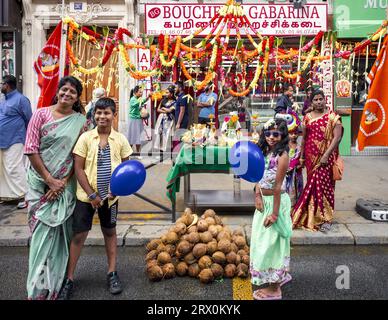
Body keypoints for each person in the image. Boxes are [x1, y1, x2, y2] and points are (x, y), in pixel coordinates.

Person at [59, 98, 132, 300]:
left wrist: (117, 190)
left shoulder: (120, 140)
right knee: (79, 236)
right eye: (98, 113)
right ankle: (69, 279)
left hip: (110, 198)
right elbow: (78, 168)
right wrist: (91, 194)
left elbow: (127, 170)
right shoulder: (85, 138)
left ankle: (112, 273)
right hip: (86, 197)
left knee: (110, 232)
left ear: (113, 115)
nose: (102, 116)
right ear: (93, 115)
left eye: (107, 113)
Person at [24, 76, 87, 300]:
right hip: (39, 186)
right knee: (41, 239)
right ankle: (37, 289)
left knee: (61, 237)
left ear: (78, 97)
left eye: (73, 91)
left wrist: (60, 183)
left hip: (64, 188)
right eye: (64, 89)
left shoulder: (81, 122)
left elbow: (78, 157)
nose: (67, 94)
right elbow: (31, 149)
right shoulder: (40, 114)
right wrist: (49, 179)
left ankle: (55, 285)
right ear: (58, 91)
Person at [250, 118, 292, 300]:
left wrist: (274, 214)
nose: (272, 137)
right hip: (264, 203)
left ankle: (275, 288)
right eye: (268, 134)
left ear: (283, 135)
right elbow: (257, 177)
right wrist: (257, 195)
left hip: (276, 203)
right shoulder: (263, 151)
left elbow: (277, 187)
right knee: (261, 241)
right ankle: (278, 276)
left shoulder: (282, 156)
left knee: (273, 245)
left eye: (276, 134)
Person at [291, 89, 343, 232]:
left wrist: (326, 155)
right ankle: (314, 213)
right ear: (311, 102)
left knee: (326, 185)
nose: (319, 102)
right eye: (316, 99)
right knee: (312, 184)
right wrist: (301, 157)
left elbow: (337, 138)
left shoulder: (333, 117)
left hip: (326, 157)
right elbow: (304, 139)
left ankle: (327, 217)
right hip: (310, 156)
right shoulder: (307, 117)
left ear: (325, 100)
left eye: (321, 99)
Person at [0, 75, 32, 208]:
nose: (1, 86)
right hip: (2, 139)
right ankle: (8, 196)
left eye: (2, 83)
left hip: (16, 139)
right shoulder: (3, 100)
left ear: (7, 85)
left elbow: (29, 120)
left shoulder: (21, 99)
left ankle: (26, 197)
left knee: (14, 168)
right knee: (3, 169)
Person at [128, 85, 151, 158]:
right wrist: (143, 99)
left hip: (138, 119)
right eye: (140, 92)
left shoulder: (138, 99)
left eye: (142, 92)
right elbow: (136, 104)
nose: (141, 94)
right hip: (133, 120)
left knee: (138, 137)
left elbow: (142, 101)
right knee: (132, 137)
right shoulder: (132, 99)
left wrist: (147, 97)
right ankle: (127, 152)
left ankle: (138, 153)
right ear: (135, 92)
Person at [286, 121, 303, 207]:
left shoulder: (300, 147)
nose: (293, 136)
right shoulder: (285, 147)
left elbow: (302, 161)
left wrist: (299, 164)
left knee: (298, 191)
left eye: (295, 133)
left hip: (297, 174)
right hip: (287, 174)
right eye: (291, 133)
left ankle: (296, 212)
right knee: (287, 192)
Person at [154, 86, 176, 154]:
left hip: (169, 121)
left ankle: (170, 154)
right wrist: (165, 110)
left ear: (171, 94)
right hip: (161, 120)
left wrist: (164, 109)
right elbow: (158, 109)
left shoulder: (175, 102)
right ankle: (161, 154)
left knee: (168, 136)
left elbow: (169, 110)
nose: (166, 94)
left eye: (167, 93)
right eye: (165, 93)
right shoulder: (163, 100)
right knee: (160, 135)